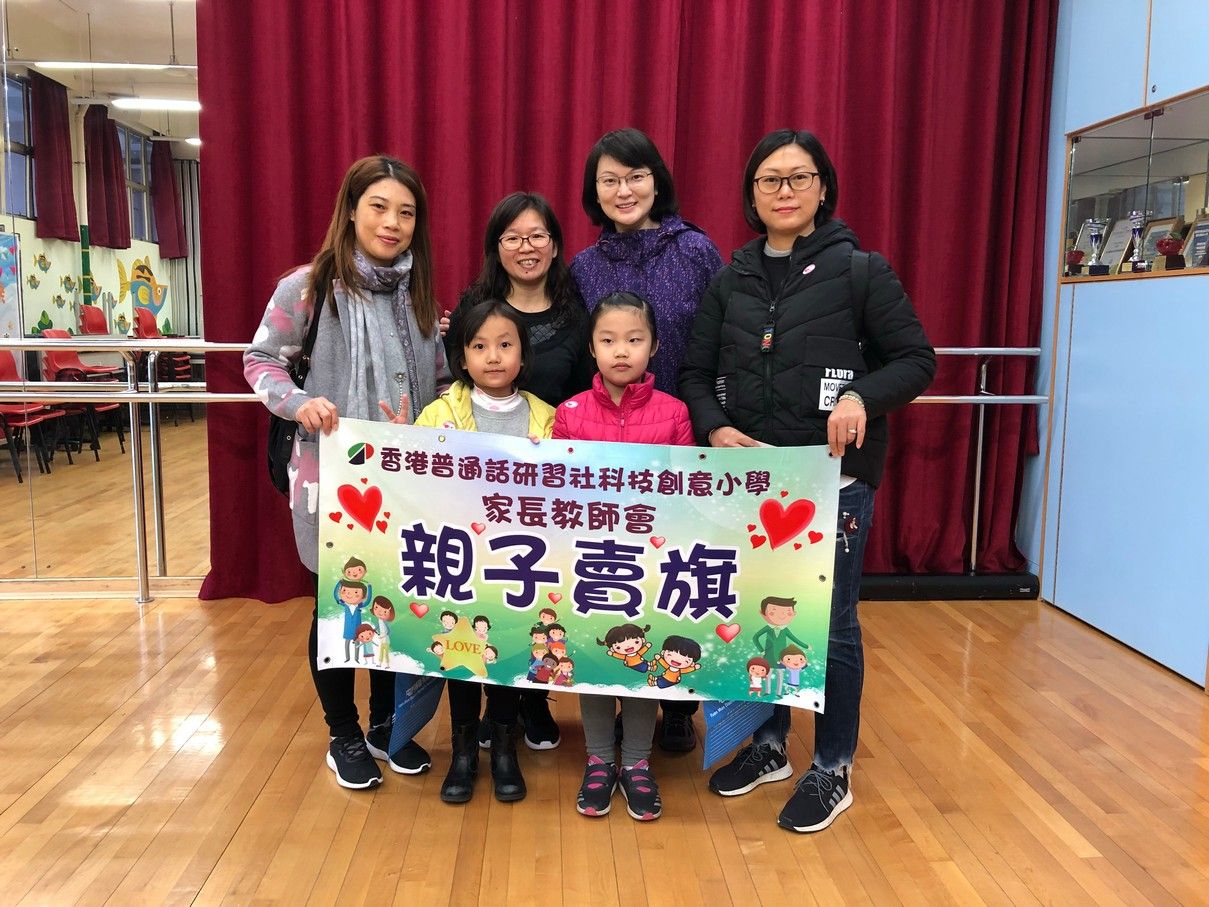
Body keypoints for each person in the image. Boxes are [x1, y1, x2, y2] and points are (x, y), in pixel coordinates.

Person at [680, 129, 935, 833]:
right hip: (749, 482)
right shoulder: (730, 279)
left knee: (830, 624)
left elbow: (915, 359)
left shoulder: (861, 271)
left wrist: (859, 397)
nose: (784, 191)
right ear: (751, 194)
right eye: (769, 179)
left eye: (798, 178)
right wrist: (713, 427)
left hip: (834, 481)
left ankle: (832, 765)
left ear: (823, 188)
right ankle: (768, 745)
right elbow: (696, 372)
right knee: (758, 614)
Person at [244, 155, 449, 790]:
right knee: (339, 607)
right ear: (352, 211)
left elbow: (441, 378)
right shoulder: (307, 287)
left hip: (406, 484)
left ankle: (388, 727)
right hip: (330, 477)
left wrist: (448, 419)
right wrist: (298, 402)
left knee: (394, 606)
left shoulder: (418, 296)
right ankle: (344, 733)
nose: (392, 223)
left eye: (406, 213)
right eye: (379, 207)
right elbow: (259, 360)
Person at [570, 127, 723, 752]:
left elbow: (723, 338)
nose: (624, 189)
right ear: (595, 191)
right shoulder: (583, 267)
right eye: (609, 180)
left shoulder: (697, 251)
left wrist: (714, 420)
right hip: (605, 440)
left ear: (656, 180)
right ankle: (614, 693)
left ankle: (679, 703)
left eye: (635, 176)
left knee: (677, 577)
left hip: (684, 432)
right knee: (617, 579)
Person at [446, 192, 592, 752]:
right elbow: (454, 390)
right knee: (482, 592)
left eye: (537, 236)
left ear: (554, 244)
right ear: (496, 246)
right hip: (474, 488)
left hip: (546, 481)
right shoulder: (474, 305)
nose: (526, 247)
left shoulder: (577, 313)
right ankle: (487, 704)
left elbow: (583, 395)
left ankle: (530, 699)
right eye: (512, 237)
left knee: (533, 591)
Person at [553, 292, 693, 822]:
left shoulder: (674, 413)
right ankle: (598, 759)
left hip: (649, 566)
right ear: (591, 347)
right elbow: (554, 493)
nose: (621, 350)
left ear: (653, 347)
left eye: (634, 340)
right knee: (593, 659)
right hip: (588, 563)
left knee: (641, 658)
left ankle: (635, 761)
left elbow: (687, 491)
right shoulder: (569, 413)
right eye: (608, 340)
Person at [415, 299, 556, 803]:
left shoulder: (547, 417)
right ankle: (462, 752)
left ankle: (503, 747)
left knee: (508, 654)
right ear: (462, 356)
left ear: (523, 354)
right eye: (479, 346)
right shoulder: (439, 414)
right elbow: (413, 482)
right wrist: (396, 440)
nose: (493, 357)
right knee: (461, 655)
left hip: (518, 567)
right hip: (460, 562)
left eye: (505, 345)